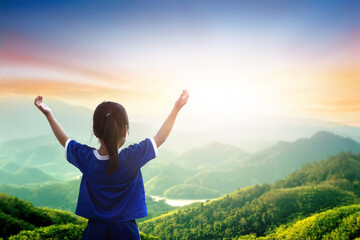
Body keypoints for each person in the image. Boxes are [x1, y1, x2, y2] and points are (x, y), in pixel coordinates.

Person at [34, 90, 189, 240]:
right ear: (124, 130)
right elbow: (160, 138)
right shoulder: (132, 157)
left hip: (95, 231)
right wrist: (176, 108)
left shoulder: (87, 159)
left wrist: (48, 114)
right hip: (126, 231)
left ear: (95, 131)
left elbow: (65, 141)